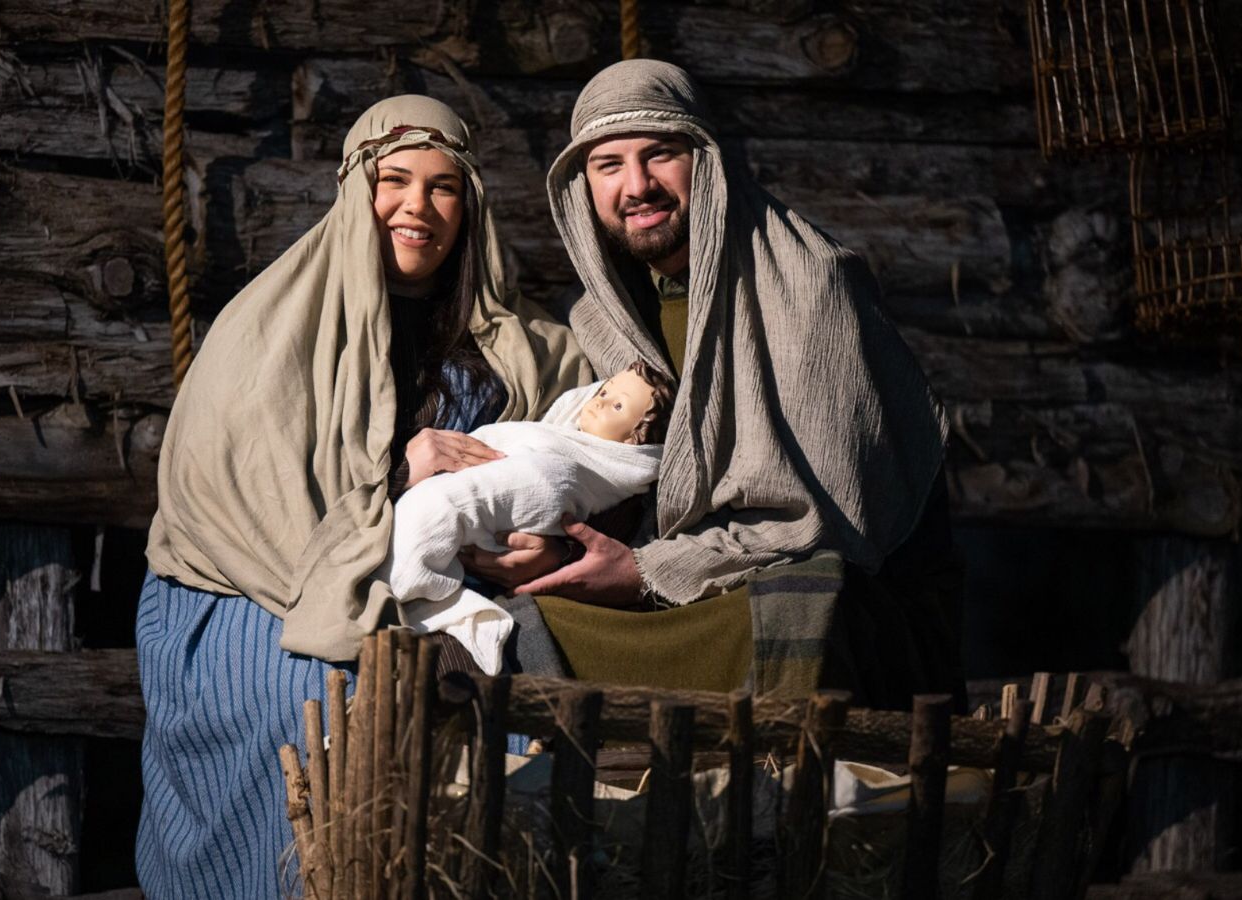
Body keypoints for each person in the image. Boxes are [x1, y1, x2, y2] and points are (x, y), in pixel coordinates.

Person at [136, 95, 589, 898]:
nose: (419, 207)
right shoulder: (272, 327)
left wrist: (547, 539)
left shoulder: (520, 344)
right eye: (396, 180)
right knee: (319, 701)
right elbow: (250, 507)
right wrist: (399, 480)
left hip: (451, 584)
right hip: (256, 585)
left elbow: (574, 460)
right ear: (356, 190)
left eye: (445, 187)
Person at [469, 60, 962, 703]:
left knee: (805, 608)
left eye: (661, 154)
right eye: (608, 165)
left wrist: (648, 571)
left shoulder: (812, 285)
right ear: (581, 185)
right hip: (678, 587)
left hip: (821, 592)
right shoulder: (597, 319)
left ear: (706, 158)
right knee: (517, 629)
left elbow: (838, 523)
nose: (637, 186)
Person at [390, 361, 674, 674]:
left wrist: (565, 551)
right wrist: (400, 472)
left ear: (632, 441)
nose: (600, 400)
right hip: (392, 515)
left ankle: (408, 576)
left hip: (488, 562)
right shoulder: (555, 426)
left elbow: (549, 489)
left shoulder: (600, 476)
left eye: (617, 405)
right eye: (604, 391)